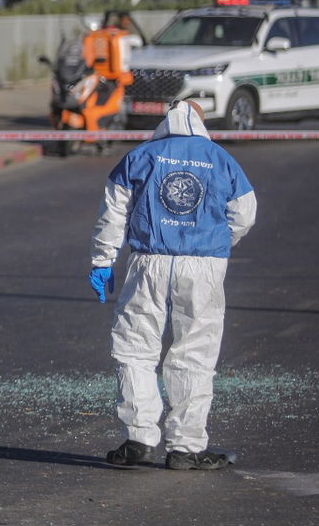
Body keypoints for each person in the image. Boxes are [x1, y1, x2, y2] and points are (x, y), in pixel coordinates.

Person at [89, 100, 257, 470]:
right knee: (195, 350)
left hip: (148, 262)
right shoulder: (220, 159)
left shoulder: (140, 157)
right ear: (200, 121)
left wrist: (103, 260)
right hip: (203, 266)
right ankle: (186, 447)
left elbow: (113, 211)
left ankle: (139, 437)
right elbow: (245, 213)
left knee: (134, 347)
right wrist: (218, 241)